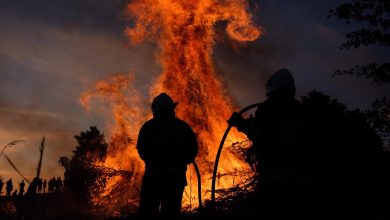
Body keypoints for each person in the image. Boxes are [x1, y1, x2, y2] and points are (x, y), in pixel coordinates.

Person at [228, 69, 311, 218]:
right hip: (301, 179)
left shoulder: (268, 109)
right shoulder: (302, 111)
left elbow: (261, 133)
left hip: (273, 178)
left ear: (273, 88)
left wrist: (241, 124)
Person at [137, 93, 198, 219]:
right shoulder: (182, 127)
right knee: (171, 213)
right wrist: (181, 163)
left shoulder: (148, 127)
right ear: (172, 109)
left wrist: (152, 162)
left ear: (155, 109)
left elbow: (142, 150)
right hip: (175, 179)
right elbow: (193, 149)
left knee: (148, 212)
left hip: (153, 178)